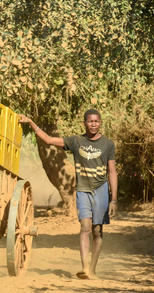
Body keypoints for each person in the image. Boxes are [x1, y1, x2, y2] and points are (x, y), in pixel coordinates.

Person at [18, 109, 118, 280]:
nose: (93, 124)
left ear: (100, 122)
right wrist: (31, 123)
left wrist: (114, 199)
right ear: (84, 123)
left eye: (96, 121)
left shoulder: (108, 144)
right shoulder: (76, 141)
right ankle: (85, 268)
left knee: (97, 230)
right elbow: (49, 140)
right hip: (82, 191)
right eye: (90, 121)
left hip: (101, 191)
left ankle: (93, 268)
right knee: (85, 226)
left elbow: (112, 171)